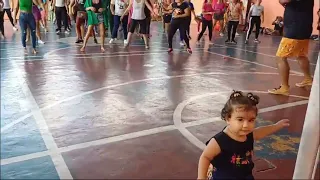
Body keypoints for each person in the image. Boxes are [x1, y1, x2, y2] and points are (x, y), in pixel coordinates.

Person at [197, 90, 290, 180]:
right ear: (228, 119)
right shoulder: (220, 141)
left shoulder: (248, 135)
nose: (246, 125)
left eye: (251, 120)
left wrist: (276, 126)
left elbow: (261, 131)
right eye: (240, 119)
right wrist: (201, 177)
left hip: (245, 175)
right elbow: (205, 157)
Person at [268, 0, 314, 96]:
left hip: (294, 28)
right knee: (300, 55)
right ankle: (308, 78)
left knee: (280, 57)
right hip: (305, 27)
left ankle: (284, 87)